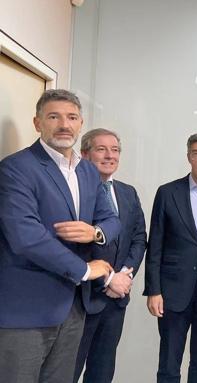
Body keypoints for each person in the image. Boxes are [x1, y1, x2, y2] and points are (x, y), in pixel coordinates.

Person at [0, 89, 119, 383]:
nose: (64, 124)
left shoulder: (88, 171)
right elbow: (25, 236)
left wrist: (96, 232)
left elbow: (111, 219)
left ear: (81, 124)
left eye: (72, 117)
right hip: (26, 310)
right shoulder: (16, 168)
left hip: (74, 309)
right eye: (54, 117)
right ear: (37, 123)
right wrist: (86, 269)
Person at [143, 133, 197, 383]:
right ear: (188, 156)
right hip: (172, 290)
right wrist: (153, 290)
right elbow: (155, 244)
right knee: (169, 360)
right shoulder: (168, 192)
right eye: (196, 153)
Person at [73, 128, 147, 383]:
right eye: (101, 149)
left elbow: (139, 237)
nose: (109, 156)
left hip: (116, 300)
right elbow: (72, 247)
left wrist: (124, 275)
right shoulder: (74, 191)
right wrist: (107, 279)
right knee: (68, 372)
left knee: (102, 373)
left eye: (114, 150)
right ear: (84, 154)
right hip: (80, 300)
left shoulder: (128, 192)